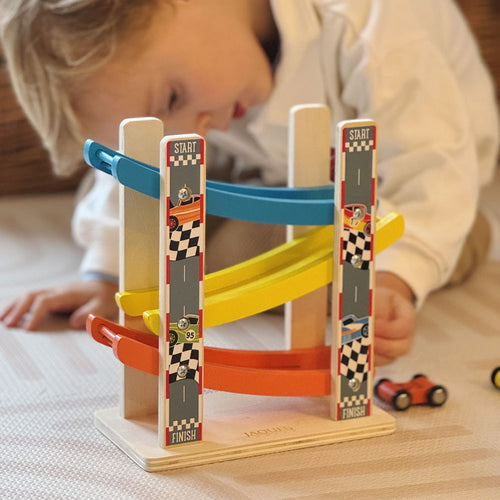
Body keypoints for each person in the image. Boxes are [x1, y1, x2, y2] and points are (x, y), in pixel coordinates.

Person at [0, 0, 498, 366]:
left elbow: (433, 165)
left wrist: (395, 277)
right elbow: (145, 168)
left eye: (172, 97)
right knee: (127, 188)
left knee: (248, 245)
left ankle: (440, 243)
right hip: (266, 171)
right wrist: (108, 276)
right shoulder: (209, 78)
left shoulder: (374, 24)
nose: (190, 126)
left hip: (398, 193)